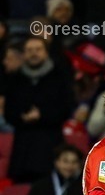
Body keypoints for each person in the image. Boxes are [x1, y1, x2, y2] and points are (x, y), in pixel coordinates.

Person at [5, 36, 76, 183]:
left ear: (46, 53)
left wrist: (42, 115)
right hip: (22, 150)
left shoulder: (59, 77)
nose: (33, 53)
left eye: (38, 49)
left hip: (50, 146)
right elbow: (8, 112)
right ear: (24, 54)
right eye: (29, 50)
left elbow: (67, 108)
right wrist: (22, 117)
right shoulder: (15, 79)